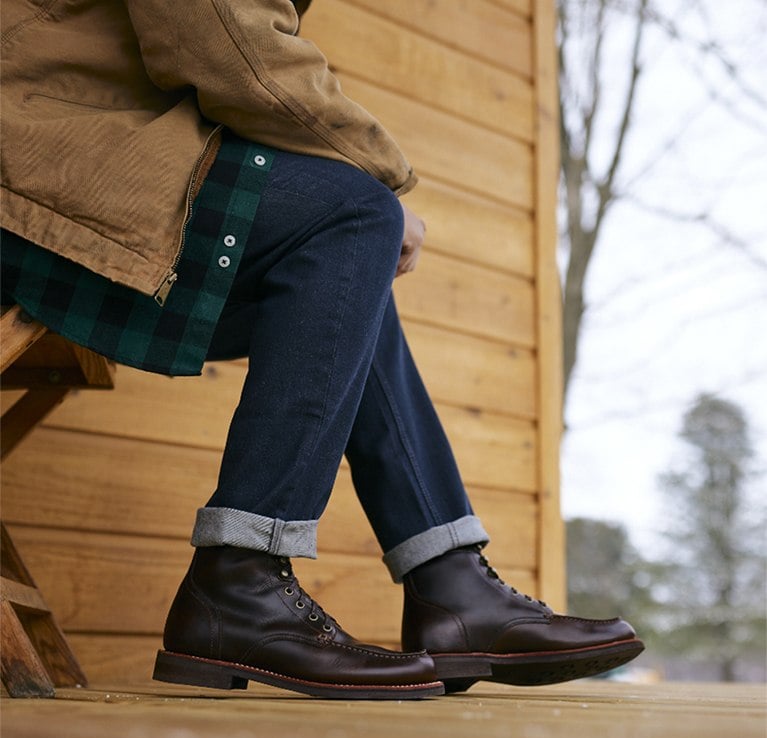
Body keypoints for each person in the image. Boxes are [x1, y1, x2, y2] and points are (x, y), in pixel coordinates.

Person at [1, 0, 643, 699]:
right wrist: (383, 180)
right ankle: (242, 577)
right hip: (27, 147)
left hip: (62, 142)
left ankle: (450, 581)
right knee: (353, 215)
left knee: (344, 258)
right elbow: (222, 39)